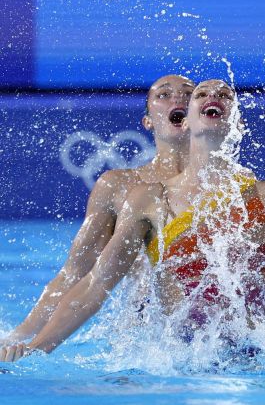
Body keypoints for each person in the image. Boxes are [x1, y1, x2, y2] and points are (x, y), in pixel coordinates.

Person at [0, 80, 265, 361]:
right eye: (166, 95)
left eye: (222, 95)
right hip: (170, 350)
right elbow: (88, 280)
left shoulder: (264, 195)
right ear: (180, 122)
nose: (181, 98)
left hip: (254, 354)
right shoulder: (139, 196)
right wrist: (30, 343)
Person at [2, 74, 195, 346]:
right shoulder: (119, 186)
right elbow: (76, 273)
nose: (178, 98)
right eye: (163, 95)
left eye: (189, 94)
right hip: (146, 342)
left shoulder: (228, 187)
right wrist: (19, 338)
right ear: (148, 121)